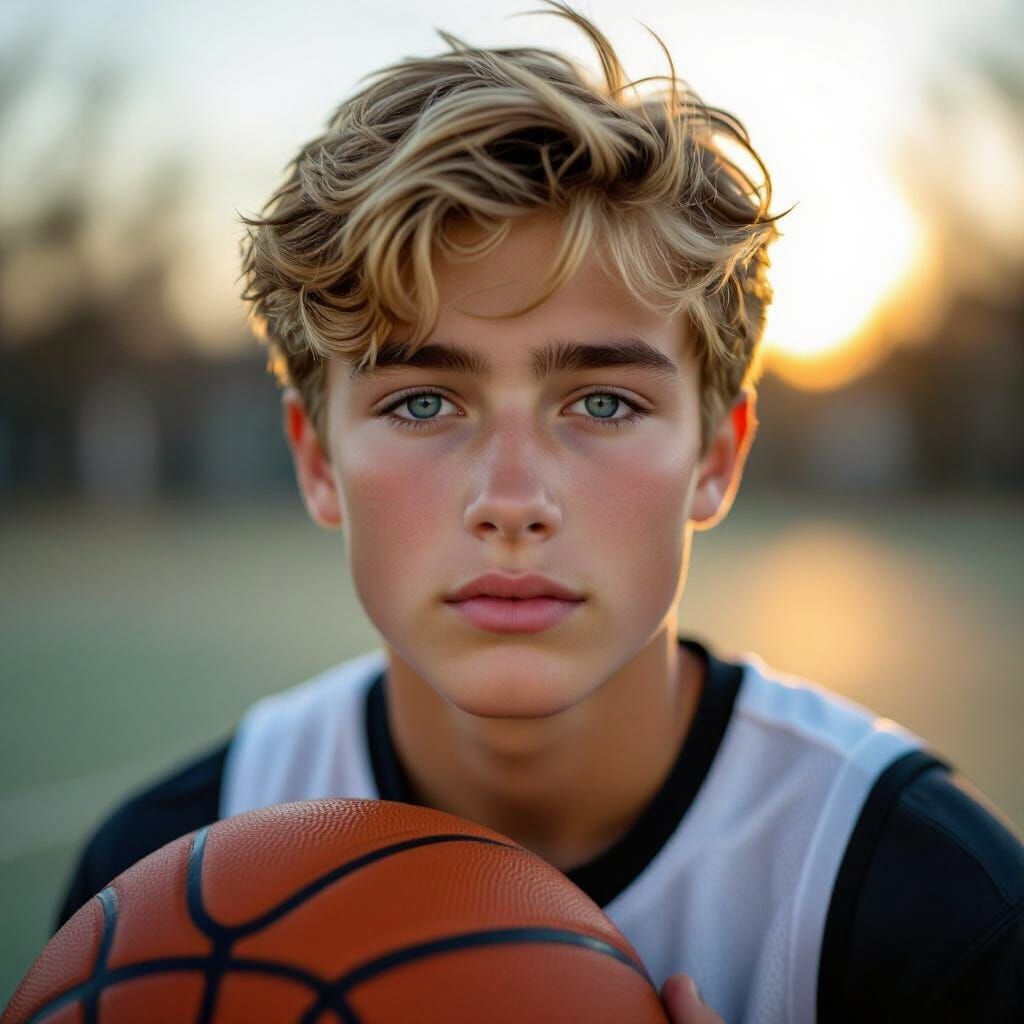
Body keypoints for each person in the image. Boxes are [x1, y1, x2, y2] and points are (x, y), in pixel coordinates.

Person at [56, 2, 1023, 1021]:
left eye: (602, 402)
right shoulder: (161, 878)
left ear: (716, 454)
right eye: (422, 402)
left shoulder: (931, 907)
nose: (511, 501)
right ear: (317, 458)